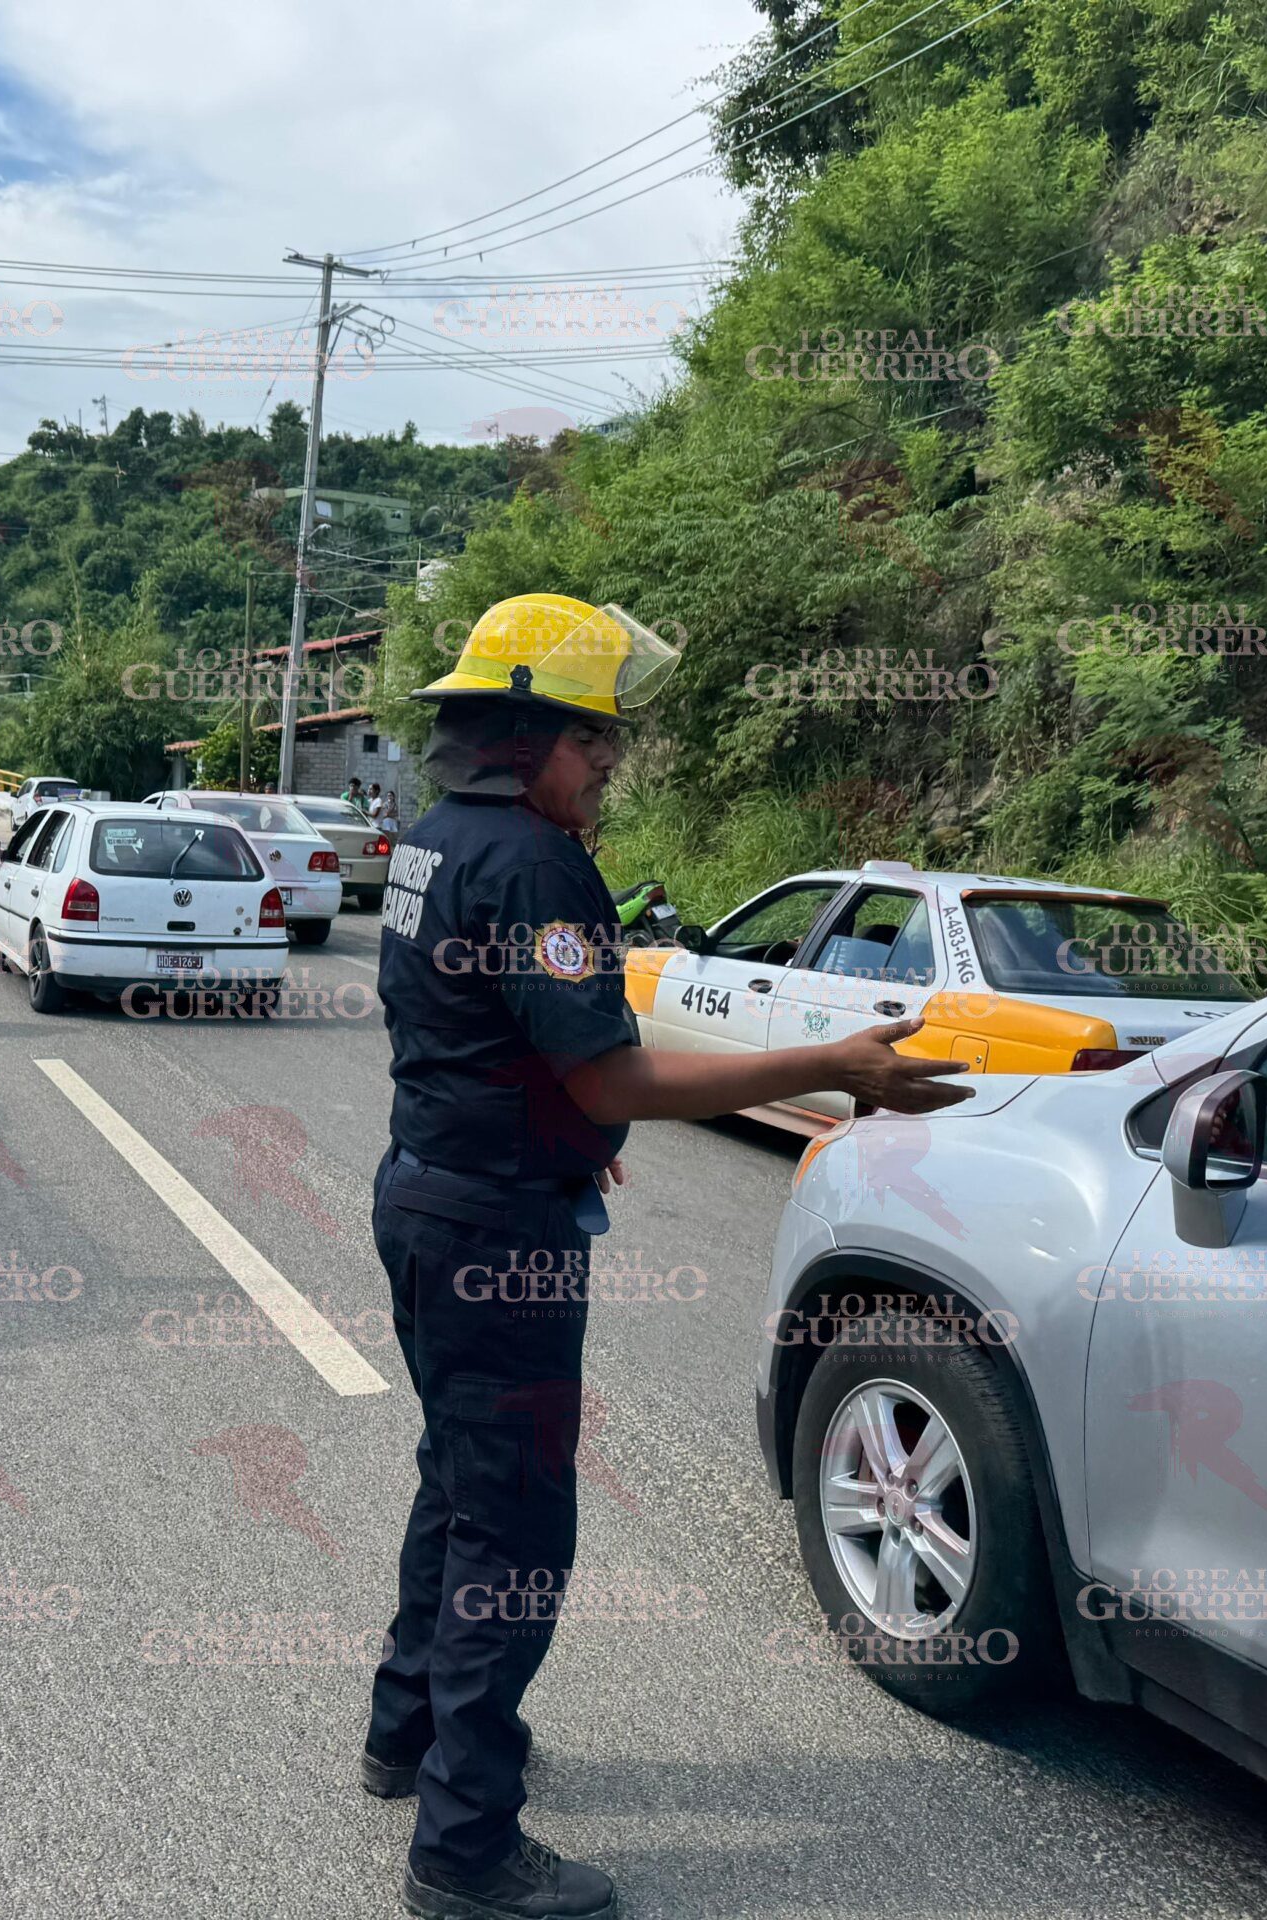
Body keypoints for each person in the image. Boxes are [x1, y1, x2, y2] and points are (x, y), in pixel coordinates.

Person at [365, 593, 973, 1920]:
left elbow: (477, 1037)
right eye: (596, 743)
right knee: (513, 1529)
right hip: (494, 1238)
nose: (609, 768)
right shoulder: (534, 867)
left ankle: (405, 1730)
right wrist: (835, 1064)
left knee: (456, 1485)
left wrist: (566, 1120)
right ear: (526, 738)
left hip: (428, 1199)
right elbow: (608, 1074)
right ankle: (465, 1848)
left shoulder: (433, 841)